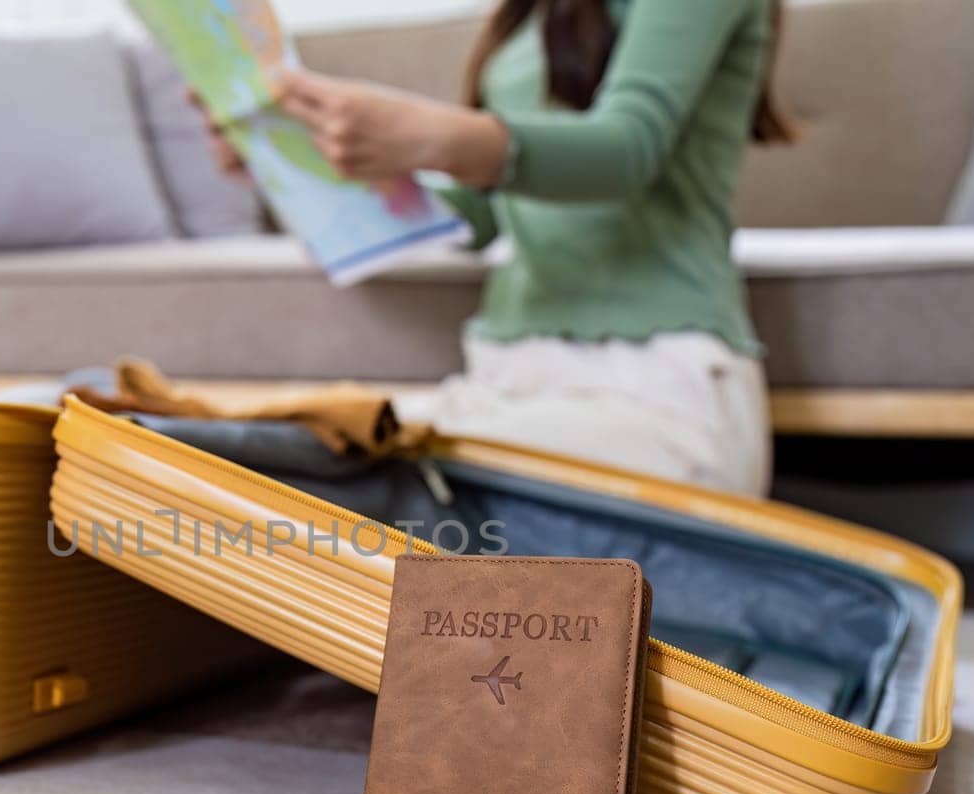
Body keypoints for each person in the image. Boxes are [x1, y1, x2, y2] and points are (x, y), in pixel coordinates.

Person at [203, 0, 791, 496]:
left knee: (333, 480)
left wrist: (433, 136)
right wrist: (291, 159)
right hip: (508, 375)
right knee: (288, 473)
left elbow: (627, 150)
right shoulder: (533, 12)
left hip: (654, 377)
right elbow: (483, 212)